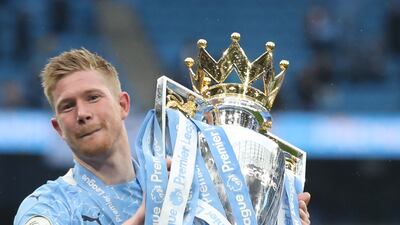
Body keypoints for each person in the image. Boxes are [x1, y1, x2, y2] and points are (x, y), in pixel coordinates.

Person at [14, 48, 311, 225]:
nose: (82, 113)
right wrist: (143, 217)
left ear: (123, 105)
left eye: (93, 97)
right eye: (68, 106)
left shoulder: (185, 185)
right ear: (58, 128)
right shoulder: (48, 206)